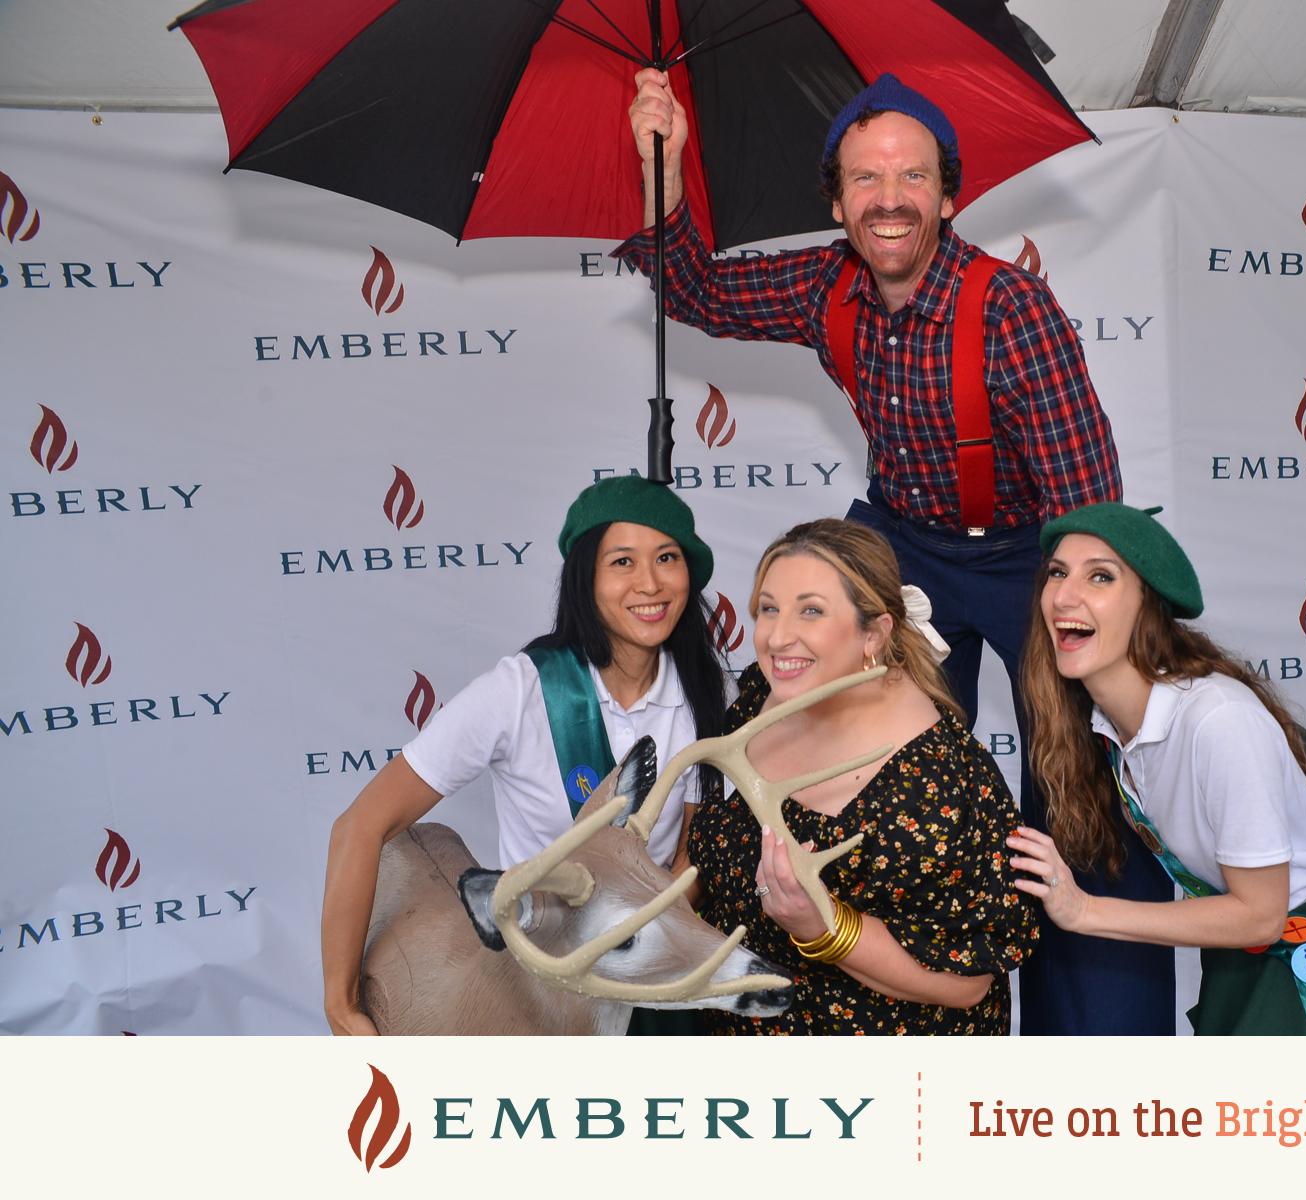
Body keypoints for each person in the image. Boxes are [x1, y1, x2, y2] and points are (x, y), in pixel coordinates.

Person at [624, 68, 1172, 1035]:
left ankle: (1096, 1059)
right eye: (864, 181)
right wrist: (659, 179)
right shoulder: (825, 283)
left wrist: (1083, 632)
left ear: (949, 196)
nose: (887, 199)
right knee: (830, 726)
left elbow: (1087, 511)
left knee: (1076, 795)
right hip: (903, 538)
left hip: (1023, 551)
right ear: (836, 201)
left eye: (911, 178)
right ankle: (837, 983)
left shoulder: (1009, 312)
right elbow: (696, 289)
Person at [1008, 503, 1306, 1035]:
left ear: (1148, 606)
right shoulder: (1108, 725)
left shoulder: (1218, 720)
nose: (1064, 596)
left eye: (1100, 576)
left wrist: (1083, 911)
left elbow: (1261, 913)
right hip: (1245, 957)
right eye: (1057, 573)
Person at [320, 476, 730, 1035]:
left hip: (654, 972)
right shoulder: (521, 692)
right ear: (585, 577)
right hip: (538, 987)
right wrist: (341, 1004)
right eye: (622, 562)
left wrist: (664, 932)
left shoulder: (708, 694)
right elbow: (359, 827)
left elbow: (694, 844)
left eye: (667, 558)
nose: (650, 583)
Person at [687, 518, 1037, 1034]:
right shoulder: (769, 693)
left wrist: (822, 926)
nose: (779, 636)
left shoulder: (936, 785)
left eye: (811, 611)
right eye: (768, 608)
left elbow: (967, 983)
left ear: (873, 632)